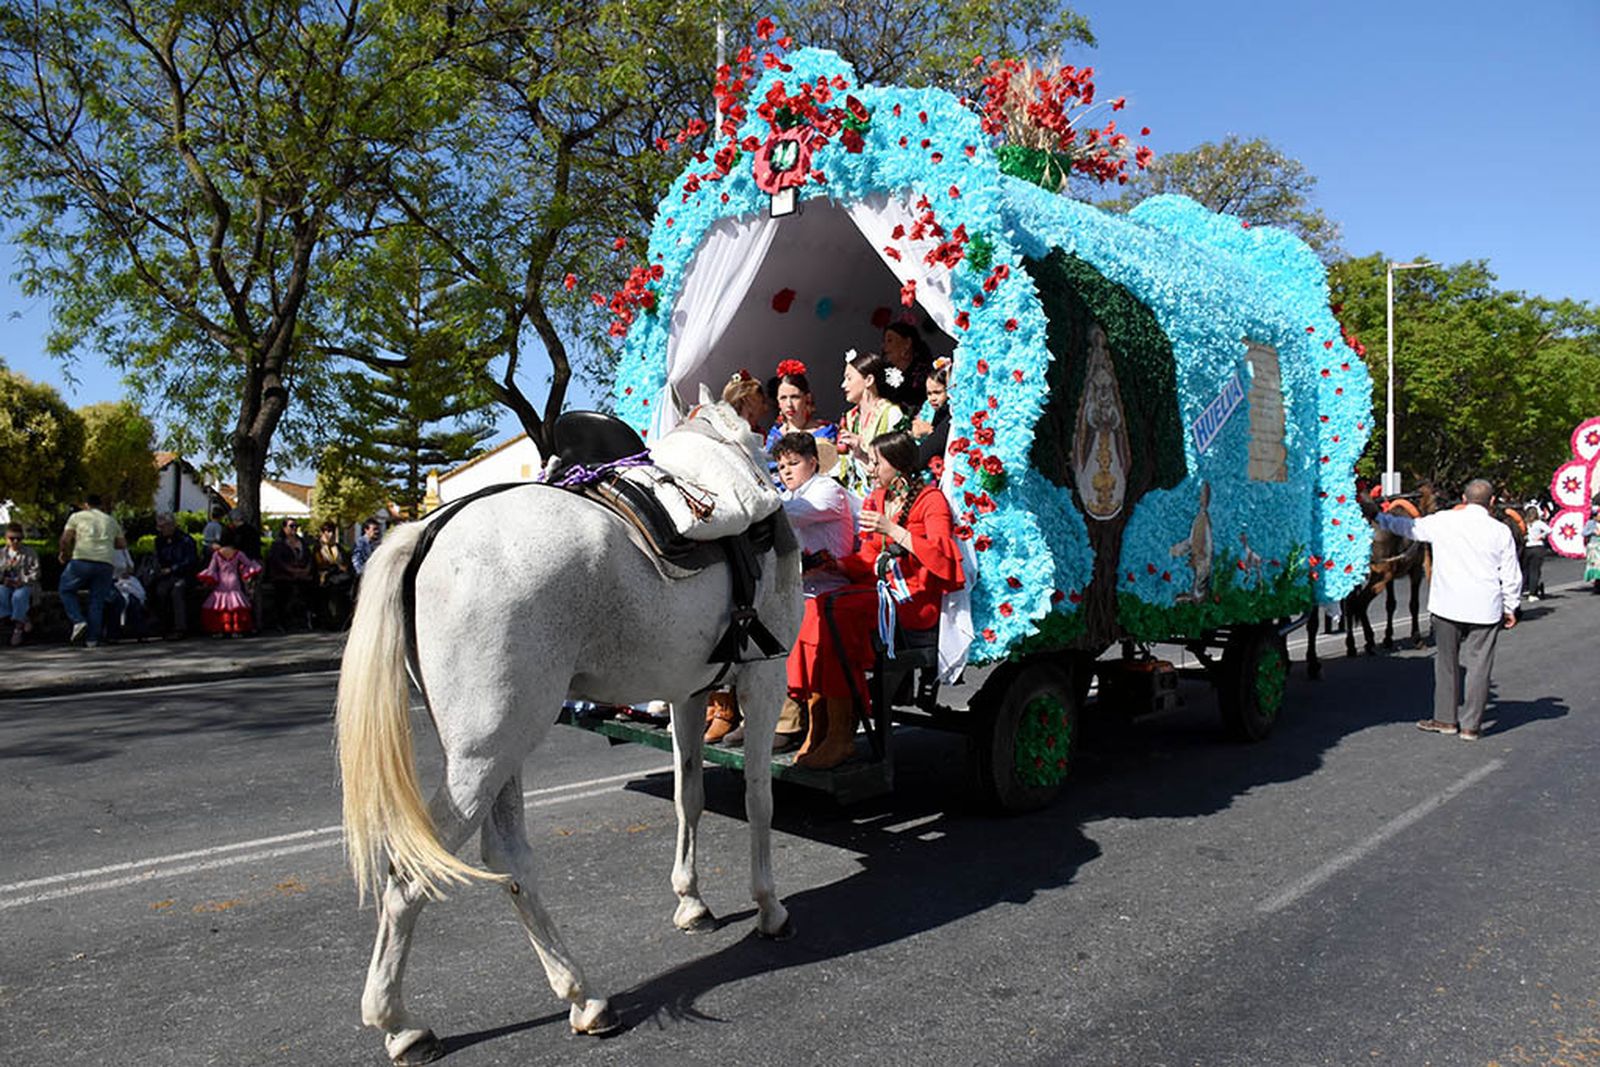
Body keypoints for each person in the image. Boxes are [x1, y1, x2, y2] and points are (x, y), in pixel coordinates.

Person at [788, 430, 964, 769]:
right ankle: (820, 725)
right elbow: (870, 555)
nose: (871, 469)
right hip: (882, 594)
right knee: (814, 609)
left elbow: (944, 559)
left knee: (835, 612)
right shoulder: (879, 498)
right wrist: (838, 564)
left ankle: (842, 733)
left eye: (877, 462)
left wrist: (894, 530)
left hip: (915, 602)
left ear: (897, 464)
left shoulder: (931, 500)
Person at [1373, 478, 1520, 741]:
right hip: (1485, 608)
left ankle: (1445, 720)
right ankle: (1471, 726)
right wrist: (1511, 606)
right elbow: (1510, 573)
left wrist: (1378, 517)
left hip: (1447, 605)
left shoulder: (1443, 521)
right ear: (1492, 502)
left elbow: (1407, 527)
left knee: (1446, 663)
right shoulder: (1500, 532)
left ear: (1463, 499)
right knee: (1479, 666)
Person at [752, 431, 858, 753]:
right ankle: (774, 718)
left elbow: (778, 517)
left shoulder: (827, 491)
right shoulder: (792, 496)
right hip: (804, 590)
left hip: (833, 589)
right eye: (781, 466)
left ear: (813, 462)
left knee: (801, 627)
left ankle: (818, 728)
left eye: (794, 463)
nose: (786, 471)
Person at [58, 493, 126, 648]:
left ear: (85, 504)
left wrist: (63, 553)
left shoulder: (77, 517)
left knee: (66, 589)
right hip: (105, 563)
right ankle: (92, 639)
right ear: (100, 505)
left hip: (82, 559)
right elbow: (122, 544)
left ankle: (78, 620)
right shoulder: (110, 520)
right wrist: (107, 544)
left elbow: (65, 539)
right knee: (97, 601)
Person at [835, 349, 905, 499]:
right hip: (853, 496)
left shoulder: (891, 414)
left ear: (869, 380)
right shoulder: (851, 417)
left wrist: (862, 450)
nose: (843, 385)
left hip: (884, 498)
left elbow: (896, 466)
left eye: (849, 378)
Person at [763, 359, 839, 473]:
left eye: (795, 397)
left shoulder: (824, 433)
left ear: (807, 398)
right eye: (783, 398)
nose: (789, 404)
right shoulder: (775, 435)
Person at [197, 528, 262, 635]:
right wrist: (245, 571)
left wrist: (208, 579)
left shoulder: (217, 554)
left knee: (221, 605)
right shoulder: (238, 553)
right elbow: (249, 564)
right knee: (235, 603)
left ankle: (221, 629)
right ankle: (236, 629)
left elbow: (211, 569)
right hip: (234, 580)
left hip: (222, 581)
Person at [150, 511, 199, 637]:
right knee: (159, 590)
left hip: (183, 574)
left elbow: (190, 560)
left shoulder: (186, 540)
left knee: (177, 590)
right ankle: (162, 625)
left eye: (163, 526)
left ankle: (180, 627)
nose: (160, 530)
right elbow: (158, 558)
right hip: (166, 575)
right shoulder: (159, 541)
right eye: (159, 527)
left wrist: (173, 568)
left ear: (171, 525)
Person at [267, 518, 316, 630]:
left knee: (310, 588)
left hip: (303, 575)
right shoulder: (278, 544)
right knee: (284, 591)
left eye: (296, 526)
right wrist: (293, 571)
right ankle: (283, 621)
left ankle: (308, 618)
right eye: (291, 526)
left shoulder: (302, 543)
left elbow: (309, 559)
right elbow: (278, 562)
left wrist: (305, 570)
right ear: (284, 528)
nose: (294, 528)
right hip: (284, 576)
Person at [1, 523, 41, 646]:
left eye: (19, 538)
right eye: (12, 538)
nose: (16, 541)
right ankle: (24, 619)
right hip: (7, 584)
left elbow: (36, 572)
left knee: (19, 597)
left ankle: (18, 628)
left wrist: (23, 580)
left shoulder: (30, 552)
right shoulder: (2, 554)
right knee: (1, 593)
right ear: (6, 538)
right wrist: (4, 580)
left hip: (26, 584)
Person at [880, 321, 934, 411]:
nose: (884, 347)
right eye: (884, 341)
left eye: (889, 340)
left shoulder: (925, 374)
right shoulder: (885, 376)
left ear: (907, 343)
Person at [311, 521, 355, 630]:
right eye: (328, 532)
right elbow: (321, 564)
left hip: (340, 576)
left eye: (332, 532)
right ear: (322, 533)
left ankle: (345, 619)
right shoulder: (318, 548)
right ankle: (332, 621)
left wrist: (342, 568)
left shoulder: (338, 548)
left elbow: (347, 562)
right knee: (334, 589)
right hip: (325, 578)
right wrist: (337, 567)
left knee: (350, 584)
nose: (331, 535)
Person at [912, 357, 952, 472]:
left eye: (937, 392)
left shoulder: (948, 412)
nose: (932, 399)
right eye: (929, 394)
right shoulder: (928, 410)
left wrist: (930, 431)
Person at [1520, 504, 1551, 601]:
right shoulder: (1539, 523)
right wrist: (1541, 536)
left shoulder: (1525, 523)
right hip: (1537, 546)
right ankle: (1532, 593)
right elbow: (1549, 530)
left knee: (1526, 569)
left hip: (1527, 547)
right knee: (1535, 570)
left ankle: (1526, 588)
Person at [1585, 505, 1600, 593]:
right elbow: (1584, 532)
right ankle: (1597, 584)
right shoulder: (1590, 523)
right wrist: (1592, 532)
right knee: (1596, 565)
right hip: (1594, 545)